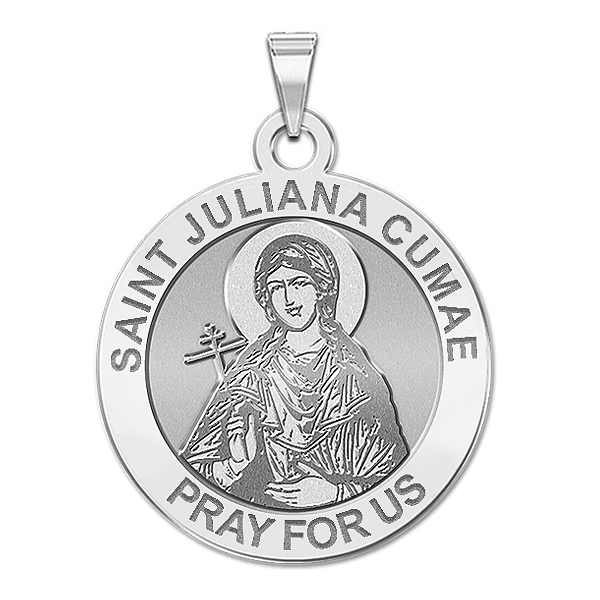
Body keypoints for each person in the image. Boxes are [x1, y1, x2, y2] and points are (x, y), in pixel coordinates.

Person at [182, 233, 408, 508]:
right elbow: (187, 478)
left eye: (299, 283)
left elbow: (395, 480)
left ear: (321, 288)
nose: (288, 299)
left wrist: (335, 494)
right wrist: (233, 465)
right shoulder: (249, 375)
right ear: (266, 297)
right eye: (276, 287)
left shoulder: (357, 380)